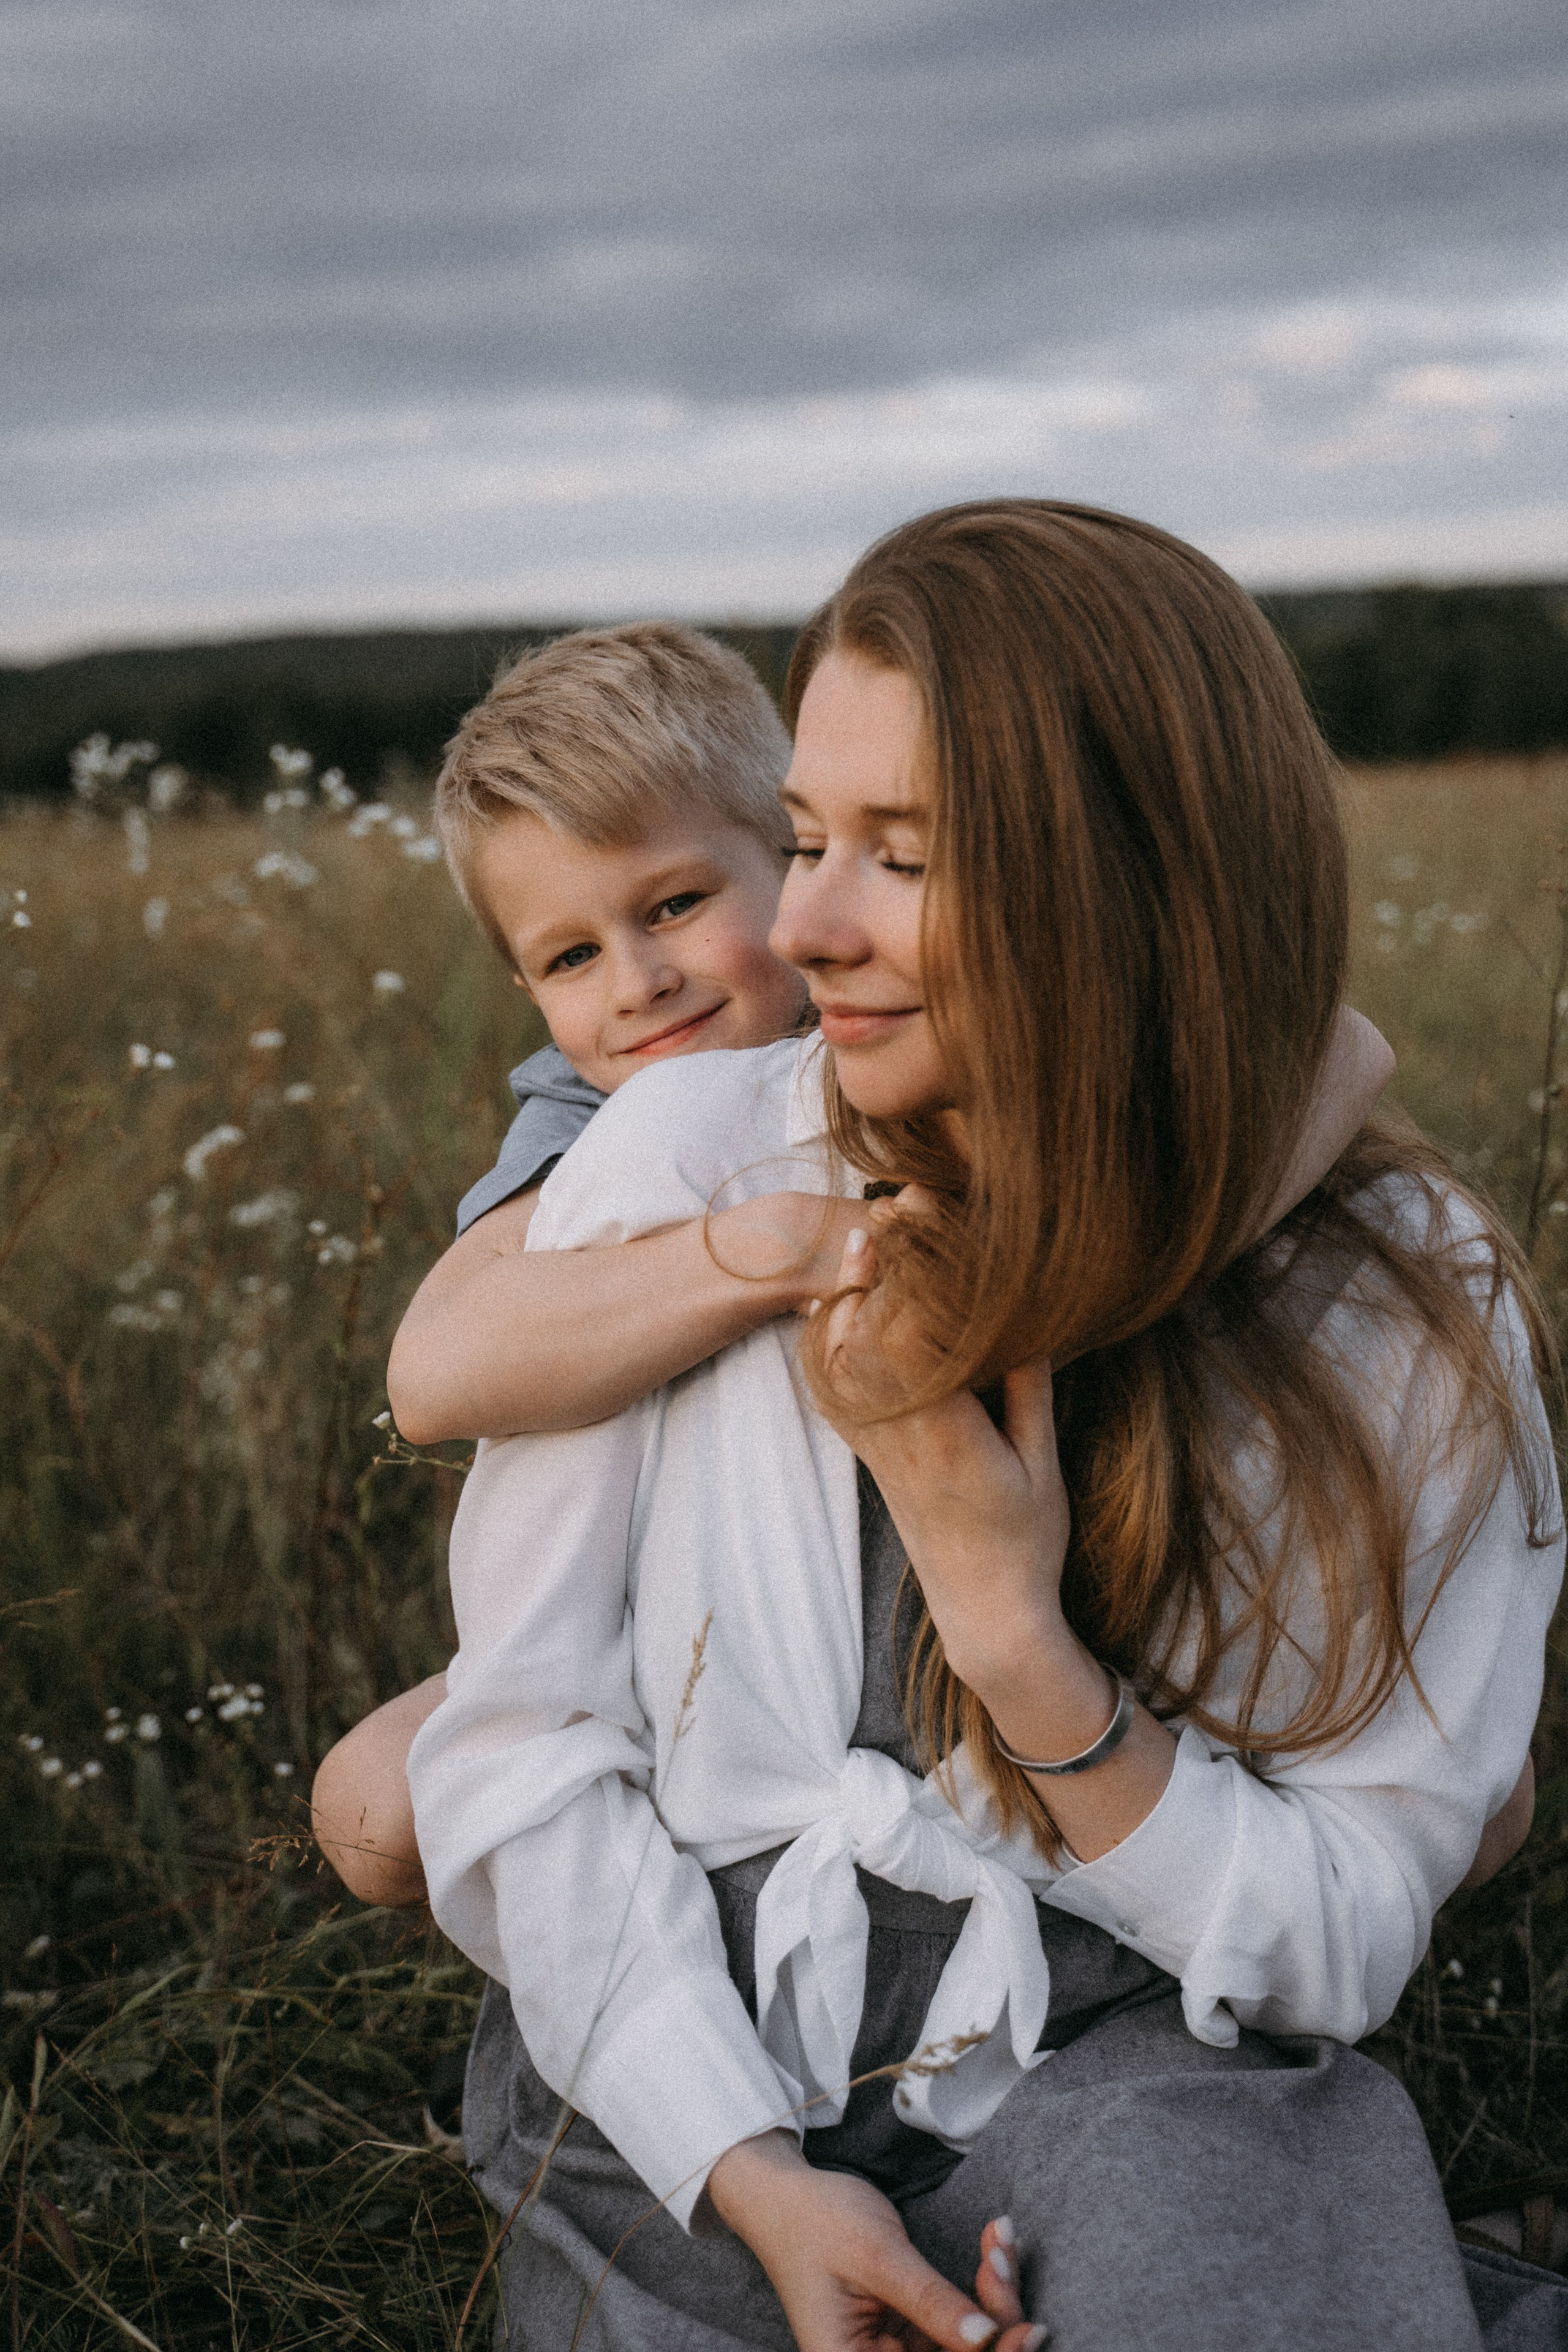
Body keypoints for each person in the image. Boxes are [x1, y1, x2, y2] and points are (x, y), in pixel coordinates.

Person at [405, 502, 1564, 2352]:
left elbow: (1338, 1938)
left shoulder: (1397, 1303)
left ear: (1134, 874)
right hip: (697, 2077)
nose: (802, 928)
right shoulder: (685, 1165)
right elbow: (522, 1754)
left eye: (902, 855)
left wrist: (1018, 1645)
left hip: (1139, 2053)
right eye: (803, 840)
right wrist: (752, 2175)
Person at [315, 612, 1392, 1912]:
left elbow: (1345, 1050)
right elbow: (434, 1377)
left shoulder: (899, 1016)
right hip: (678, 1598)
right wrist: (785, 1249)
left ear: (799, 856)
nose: (639, 982)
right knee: (368, 1811)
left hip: (974, 1538)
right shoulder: (587, 1117)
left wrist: (1094, 1287)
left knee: (1468, 1800)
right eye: (572, 957)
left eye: (676, 905)